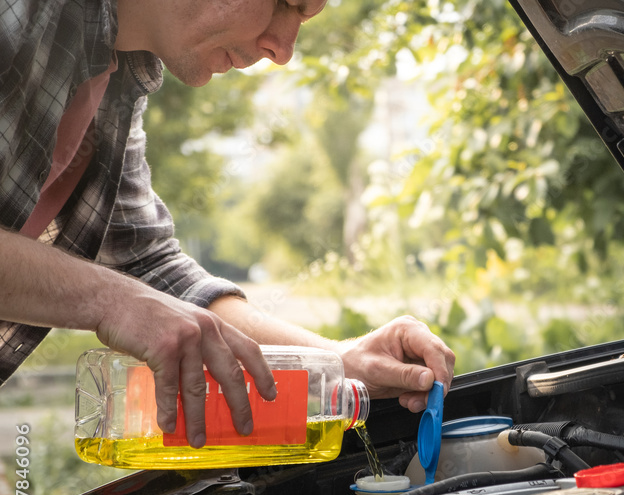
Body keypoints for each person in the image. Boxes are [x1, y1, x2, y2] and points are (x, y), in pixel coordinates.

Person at [0, 0, 455, 448]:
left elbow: (144, 263)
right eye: (283, 3)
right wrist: (109, 301)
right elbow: (128, 294)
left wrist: (339, 362)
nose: (284, 49)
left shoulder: (118, 75)